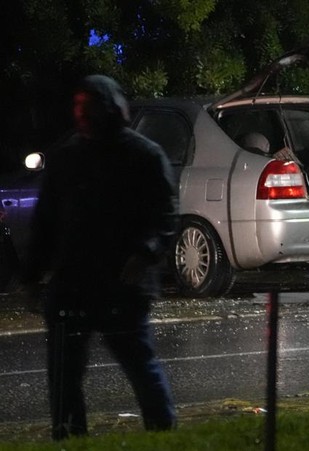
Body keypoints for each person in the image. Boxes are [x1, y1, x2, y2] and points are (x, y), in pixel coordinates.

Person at [20, 74, 179, 440]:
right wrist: (32, 276)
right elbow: (46, 220)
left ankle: (165, 434)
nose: (83, 114)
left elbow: (165, 216)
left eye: (89, 106)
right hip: (73, 283)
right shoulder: (68, 157)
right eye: (79, 106)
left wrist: (145, 255)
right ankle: (69, 436)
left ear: (109, 109)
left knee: (139, 363)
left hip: (121, 284)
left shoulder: (142, 155)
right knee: (64, 373)